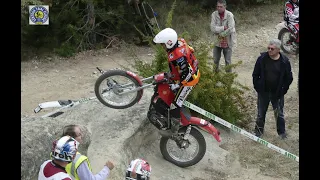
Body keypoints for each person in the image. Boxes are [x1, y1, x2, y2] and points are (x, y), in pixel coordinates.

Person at [153, 27, 200, 136]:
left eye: (163, 44)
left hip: (189, 81)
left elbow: (187, 73)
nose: (162, 47)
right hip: (187, 74)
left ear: (169, 43)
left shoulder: (178, 56)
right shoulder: (180, 42)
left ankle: (174, 130)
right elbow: (191, 50)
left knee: (175, 104)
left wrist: (178, 85)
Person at [252, 39, 293, 139]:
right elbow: (255, 74)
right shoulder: (262, 59)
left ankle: (282, 133)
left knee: (279, 114)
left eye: (272, 49)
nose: (269, 50)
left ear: (278, 50)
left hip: (277, 93)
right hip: (263, 92)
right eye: (268, 48)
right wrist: (258, 87)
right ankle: (258, 132)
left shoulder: (284, 61)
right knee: (261, 114)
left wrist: (283, 90)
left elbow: (289, 78)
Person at [210, 0, 236, 72]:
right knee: (215, 60)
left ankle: (228, 79)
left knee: (228, 61)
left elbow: (231, 28)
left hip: (227, 41)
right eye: (217, 6)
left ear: (225, 7)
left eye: (221, 7)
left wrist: (221, 34)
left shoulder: (229, 15)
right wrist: (223, 28)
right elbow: (212, 28)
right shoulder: (214, 14)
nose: (219, 8)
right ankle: (215, 77)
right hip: (217, 41)